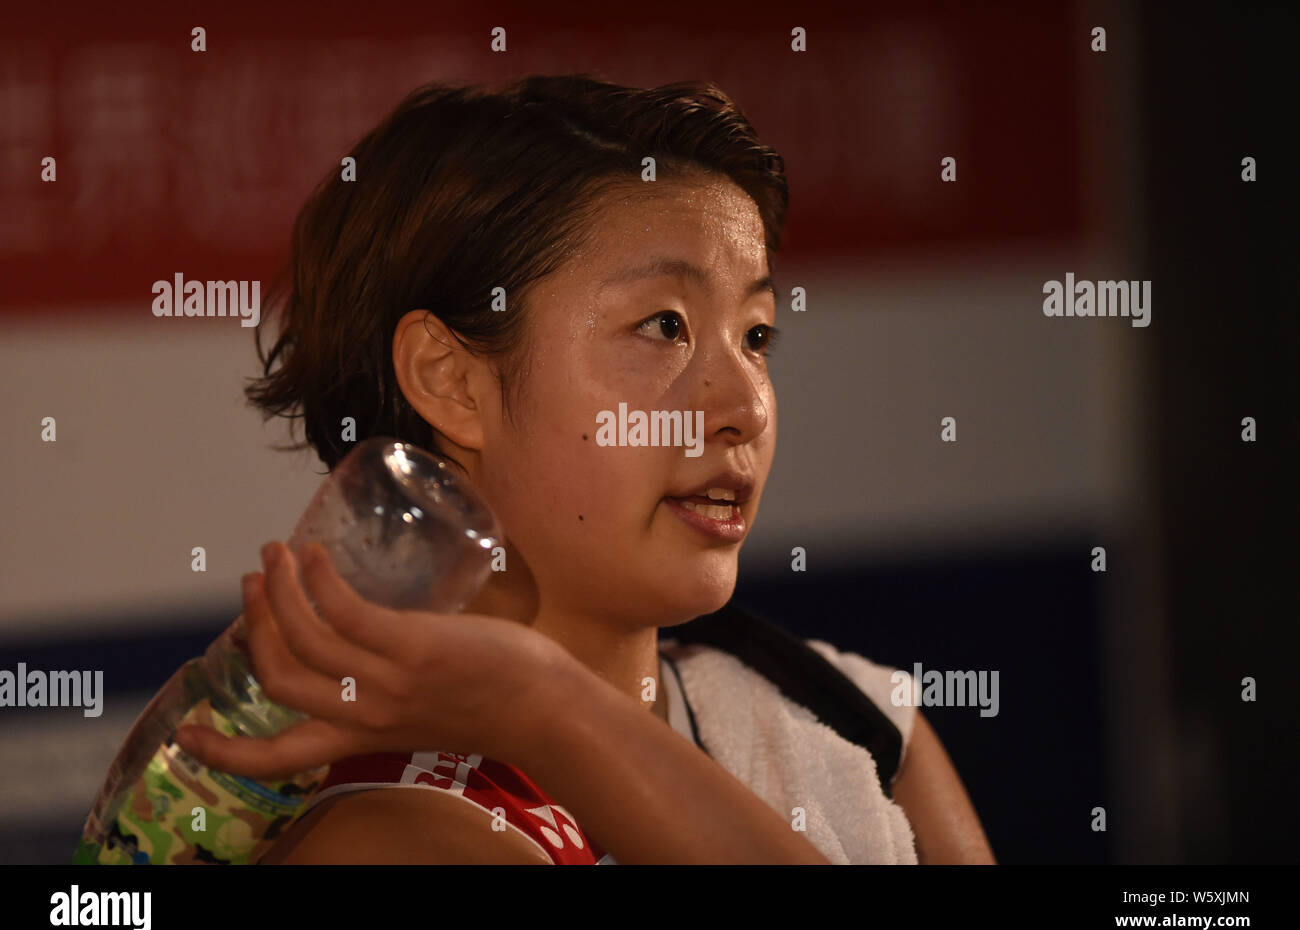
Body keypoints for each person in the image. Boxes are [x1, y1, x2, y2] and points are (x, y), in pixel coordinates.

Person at [173, 73, 995, 865]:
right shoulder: (390, 836)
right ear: (451, 380)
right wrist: (543, 707)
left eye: (755, 334)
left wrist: (546, 706)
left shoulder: (852, 717)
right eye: (663, 325)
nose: (745, 404)